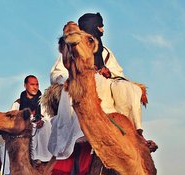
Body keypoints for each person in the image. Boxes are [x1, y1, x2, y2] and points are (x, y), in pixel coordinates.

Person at [49, 13, 149, 160]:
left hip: (108, 83)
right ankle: (83, 133)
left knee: (130, 89)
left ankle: (136, 134)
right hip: (84, 82)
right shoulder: (74, 48)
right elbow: (58, 73)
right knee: (93, 82)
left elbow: (118, 72)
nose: (102, 29)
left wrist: (108, 73)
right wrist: (85, 74)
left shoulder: (105, 51)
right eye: (99, 25)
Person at [9, 75, 53, 164]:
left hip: (40, 132)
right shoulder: (17, 104)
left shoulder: (44, 103)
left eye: (37, 85)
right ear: (25, 85)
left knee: (47, 125)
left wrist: (42, 121)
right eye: (32, 84)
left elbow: (50, 117)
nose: (35, 87)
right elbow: (11, 120)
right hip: (24, 134)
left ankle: (45, 159)